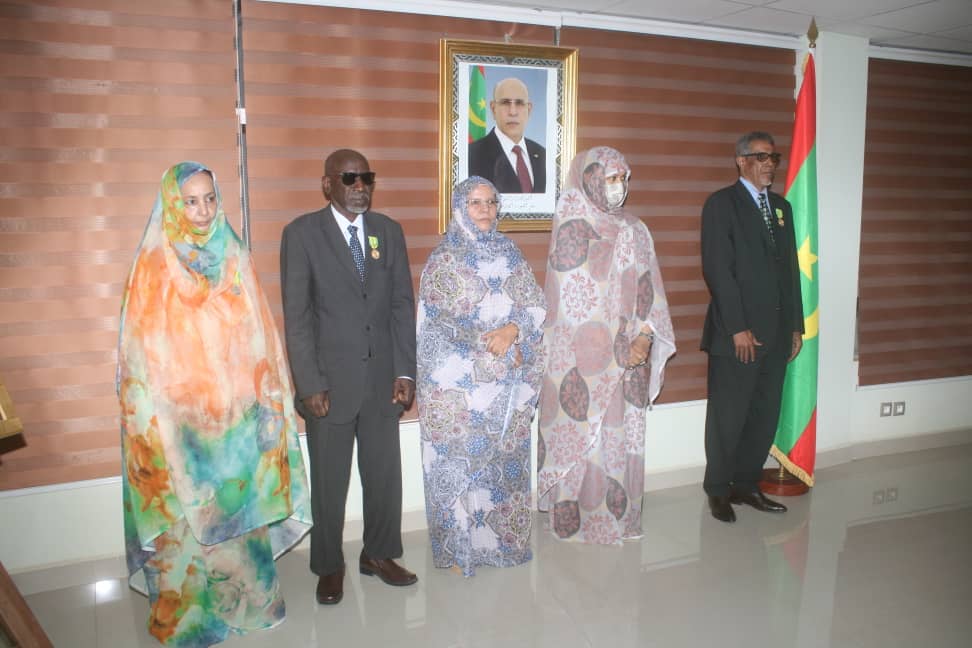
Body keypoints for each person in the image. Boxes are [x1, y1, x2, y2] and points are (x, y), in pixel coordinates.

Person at [117, 162, 311, 647]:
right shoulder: (154, 264)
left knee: (236, 512)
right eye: (191, 201)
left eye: (209, 199)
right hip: (178, 422)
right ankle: (193, 620)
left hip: (236, 418)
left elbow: (260, 334)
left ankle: (249, 604)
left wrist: (265, 400)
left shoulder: (234, 253)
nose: (203, 211)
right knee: (185, 517)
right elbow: (138, 354)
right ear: (173, 203)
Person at [280, 148, 418, 605]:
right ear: (328, 184)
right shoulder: (301, 234)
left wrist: (405, 370)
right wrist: (309, 383)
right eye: (349, 178)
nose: (360, 187)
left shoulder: (388, 232)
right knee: (329, 483)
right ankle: (329, 565)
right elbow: (298, 318)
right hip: (329, 386)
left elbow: (401, 305)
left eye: (366, 178)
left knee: (384, 477)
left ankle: (378, 554)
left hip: (382, 381)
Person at [538, 147, 675, 544]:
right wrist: (616, 347)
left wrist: (644, 338)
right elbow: (570, 302)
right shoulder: (572, 225)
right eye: (611, 179)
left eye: (623, 179)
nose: (619, 187)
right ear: (591, 180)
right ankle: (579, 518)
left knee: (620, 437)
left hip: (632, 354)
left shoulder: (636, 229)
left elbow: (650, 291)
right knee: (586, 438)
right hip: (583, 360)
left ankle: (620, 515)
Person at [417, 176, 546, 576]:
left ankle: (502, 546)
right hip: (460, 390)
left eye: (491, 202)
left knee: (502, 470)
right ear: (459, 207)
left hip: (506, 387)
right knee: (462, 469)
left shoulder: (511, 252)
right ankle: (461, 552)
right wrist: (486, 350)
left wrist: (514, 331)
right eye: (475, 202)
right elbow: (436, 328)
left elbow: (535, 304)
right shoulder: (443, 259)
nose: (485, 210)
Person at [700, 131, 804, 523]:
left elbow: (790, 270)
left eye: (773, 158)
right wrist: (737, 327)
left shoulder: (781, 208)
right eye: (761, 157)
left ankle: (746, 484)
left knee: (763, 414)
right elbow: (718, 270)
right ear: (741, 161)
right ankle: (718, 489)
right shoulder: (721, 204)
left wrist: (795, 326)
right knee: (728, 416)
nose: (769, 164)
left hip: (776, 333)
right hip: (738, 335)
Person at [468, 77, 546, 194]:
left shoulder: (543, 155)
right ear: (493, 109)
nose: (512, 112)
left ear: (529, 110)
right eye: (505, 103)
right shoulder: (471, 155)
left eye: (519, 103)